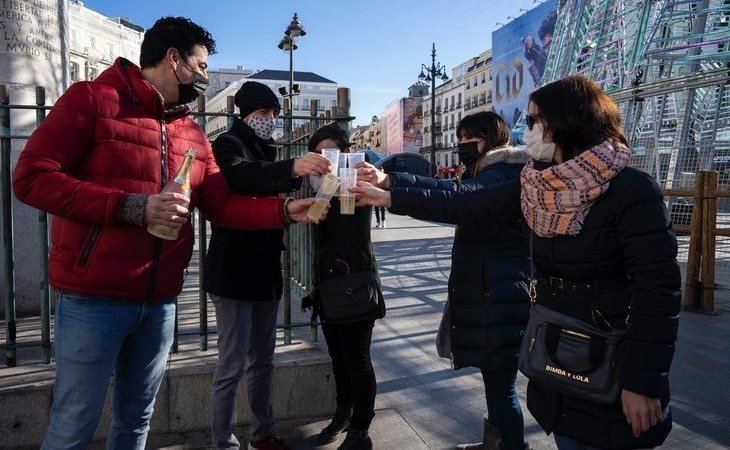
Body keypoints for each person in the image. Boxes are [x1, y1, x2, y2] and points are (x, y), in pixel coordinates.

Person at [12, 17, 319, 450]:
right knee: (73, 425)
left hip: (159, 303)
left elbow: (222, 205)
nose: (205, 76)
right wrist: (132, 206)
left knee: (137, 421)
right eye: (201, 65)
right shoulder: (92, 100)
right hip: (92, 300)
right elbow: (30, 178)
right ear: (174, 60)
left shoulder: (191, 132)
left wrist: (286, 210)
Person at [352, 75, 681, 450]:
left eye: (535, 120)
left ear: (567, 121)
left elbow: (658, 292)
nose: (527, 130)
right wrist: (389, 192)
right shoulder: (536, 185)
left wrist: (643, 382)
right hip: (561, 358)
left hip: (614, 363)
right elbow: (464, 202)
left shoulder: (631, 190)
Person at [357, 111, 531, 450]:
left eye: (470, 138)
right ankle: (497, 442)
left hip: (500, 295)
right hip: (491, 293)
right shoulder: (487, 173)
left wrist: (391, 196)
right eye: (461, 137)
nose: (462, 145)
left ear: (490, 138)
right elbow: (450, 189)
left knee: (502, 386)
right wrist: (390, 180)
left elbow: (455, 199)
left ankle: (511, 446)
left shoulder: (503, 175)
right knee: (495, 382)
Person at [204, 81, 331, 450]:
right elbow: (243, 176)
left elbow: (268, 179)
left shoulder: (266, 149)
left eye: (273, 114)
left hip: (265, 273)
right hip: (231, 273)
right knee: (230, 367)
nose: (269, 120)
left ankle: (262, 433)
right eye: (262, 114)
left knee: (263, 361)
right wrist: (292, 166)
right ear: (243, 114)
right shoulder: (228, 145)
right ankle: (222, 442)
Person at [305, 123, 386, 450]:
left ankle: (360, 427)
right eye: (321, 155)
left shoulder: (355, 184)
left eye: (333, 154)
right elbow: (313, 218)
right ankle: (343, 412)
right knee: (338, 357)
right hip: (327, 285)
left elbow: (350, 214)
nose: (328, 161)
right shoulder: (313, 187)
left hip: (355, 284)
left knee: (357, 359)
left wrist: (344, 179)